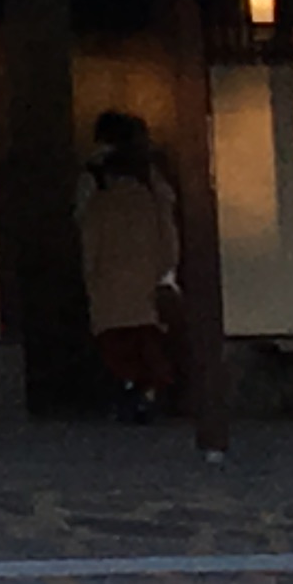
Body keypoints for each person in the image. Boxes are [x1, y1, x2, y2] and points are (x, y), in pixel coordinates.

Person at [79, 108, 184, 421]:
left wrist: (89, 274)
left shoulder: (93, 177)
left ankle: (129, 393)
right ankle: (147, 395)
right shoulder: (152, 176)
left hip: (108, 273)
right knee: (149, 343)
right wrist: (169, 266)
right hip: (148, 271)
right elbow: (168, 222)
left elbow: (84, 227)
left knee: (116, 343)